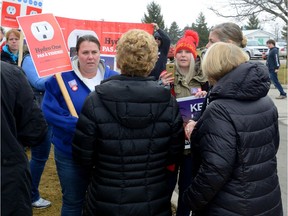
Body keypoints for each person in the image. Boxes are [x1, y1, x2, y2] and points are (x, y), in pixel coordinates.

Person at [72, 29, 185, 216]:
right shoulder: (168, 102)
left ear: (120, 58)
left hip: (106, 199)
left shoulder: (96, 99)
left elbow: (82, 156)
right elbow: (174, 154)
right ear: (152, 60)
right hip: (151, 199)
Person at [183, 42, 283, 215]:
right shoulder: (266, 101)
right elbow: (270, 146)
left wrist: (190, 199)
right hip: (266, 198)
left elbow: (215, 169)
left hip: (230, 204)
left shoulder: (219, 109)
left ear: (212, 66)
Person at [42, 35, 119, 216]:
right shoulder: (60, 78)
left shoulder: (114, 79)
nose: (90, 56)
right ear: (77, 53)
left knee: (101, 201)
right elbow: (49, 111)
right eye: (85, 52)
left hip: (104, 154)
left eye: (94, 52)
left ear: (101, 53)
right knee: (73, 201)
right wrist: (82, 126)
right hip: (70, 151)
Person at [163, 30, 208, 216]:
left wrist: (206, 97)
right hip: (170, 144)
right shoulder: (167, 76)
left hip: (192, 147)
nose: (182, 55)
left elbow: (211, 111)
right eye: (179, 51)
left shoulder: (204, 79)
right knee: (165, 188)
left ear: (193, 55)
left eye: (187, 52)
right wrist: (160, 87)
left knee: (187, 189)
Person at [1, 60, 48, 216]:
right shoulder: (12, 74)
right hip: (8, 172)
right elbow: (34, 129)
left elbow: (35, 130)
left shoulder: (11, 74)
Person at [21, 46, 52, 209]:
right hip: (37, 115)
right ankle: (30, 195)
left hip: (51, 113)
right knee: (39, 156)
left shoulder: (50, 57)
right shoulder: (29, 59)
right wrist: (59, 74)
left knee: (44, 156)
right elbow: (38, 83)